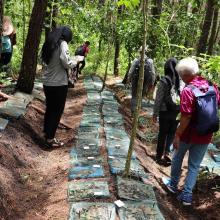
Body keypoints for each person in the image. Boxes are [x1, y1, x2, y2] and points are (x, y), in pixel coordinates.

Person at [166, 57, 220, 205]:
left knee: (177, 157)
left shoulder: (188, 91)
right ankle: (187, 196)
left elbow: (186, 116)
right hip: (206, 134)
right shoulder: (211, 86)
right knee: (194, 165)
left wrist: (177, 134)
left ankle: (173, 185)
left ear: (184, 75)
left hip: (188, 135)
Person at [41, 26, 77, 148]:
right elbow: (66, 62)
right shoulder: (63, 44)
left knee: (50, 108)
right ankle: (50, 139)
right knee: (57, 111)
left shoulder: (49, 44)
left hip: (47, 82)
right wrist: (76, 61)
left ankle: (46, 134)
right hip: (58, 84)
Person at [153, 58, 180, 165]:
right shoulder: (180, 81)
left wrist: (155, 114)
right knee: (172, 133)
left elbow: (158, 99)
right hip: (176, 112)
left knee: (162, 134)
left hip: (164, 112)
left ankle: (159, 156)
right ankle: (167, 153)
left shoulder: (164, 81)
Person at [127, 46, 156, 114]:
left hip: (135, 81)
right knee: (141, 96)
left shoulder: (135, 60)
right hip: (145, 82)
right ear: (146, 52)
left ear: (139, 52)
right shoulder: (150, 61)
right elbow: (153, 73)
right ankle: (138, 111)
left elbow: (130, 72)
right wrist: (152, 83)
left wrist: (128, 80)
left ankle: (133, 112)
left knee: (134, 96)